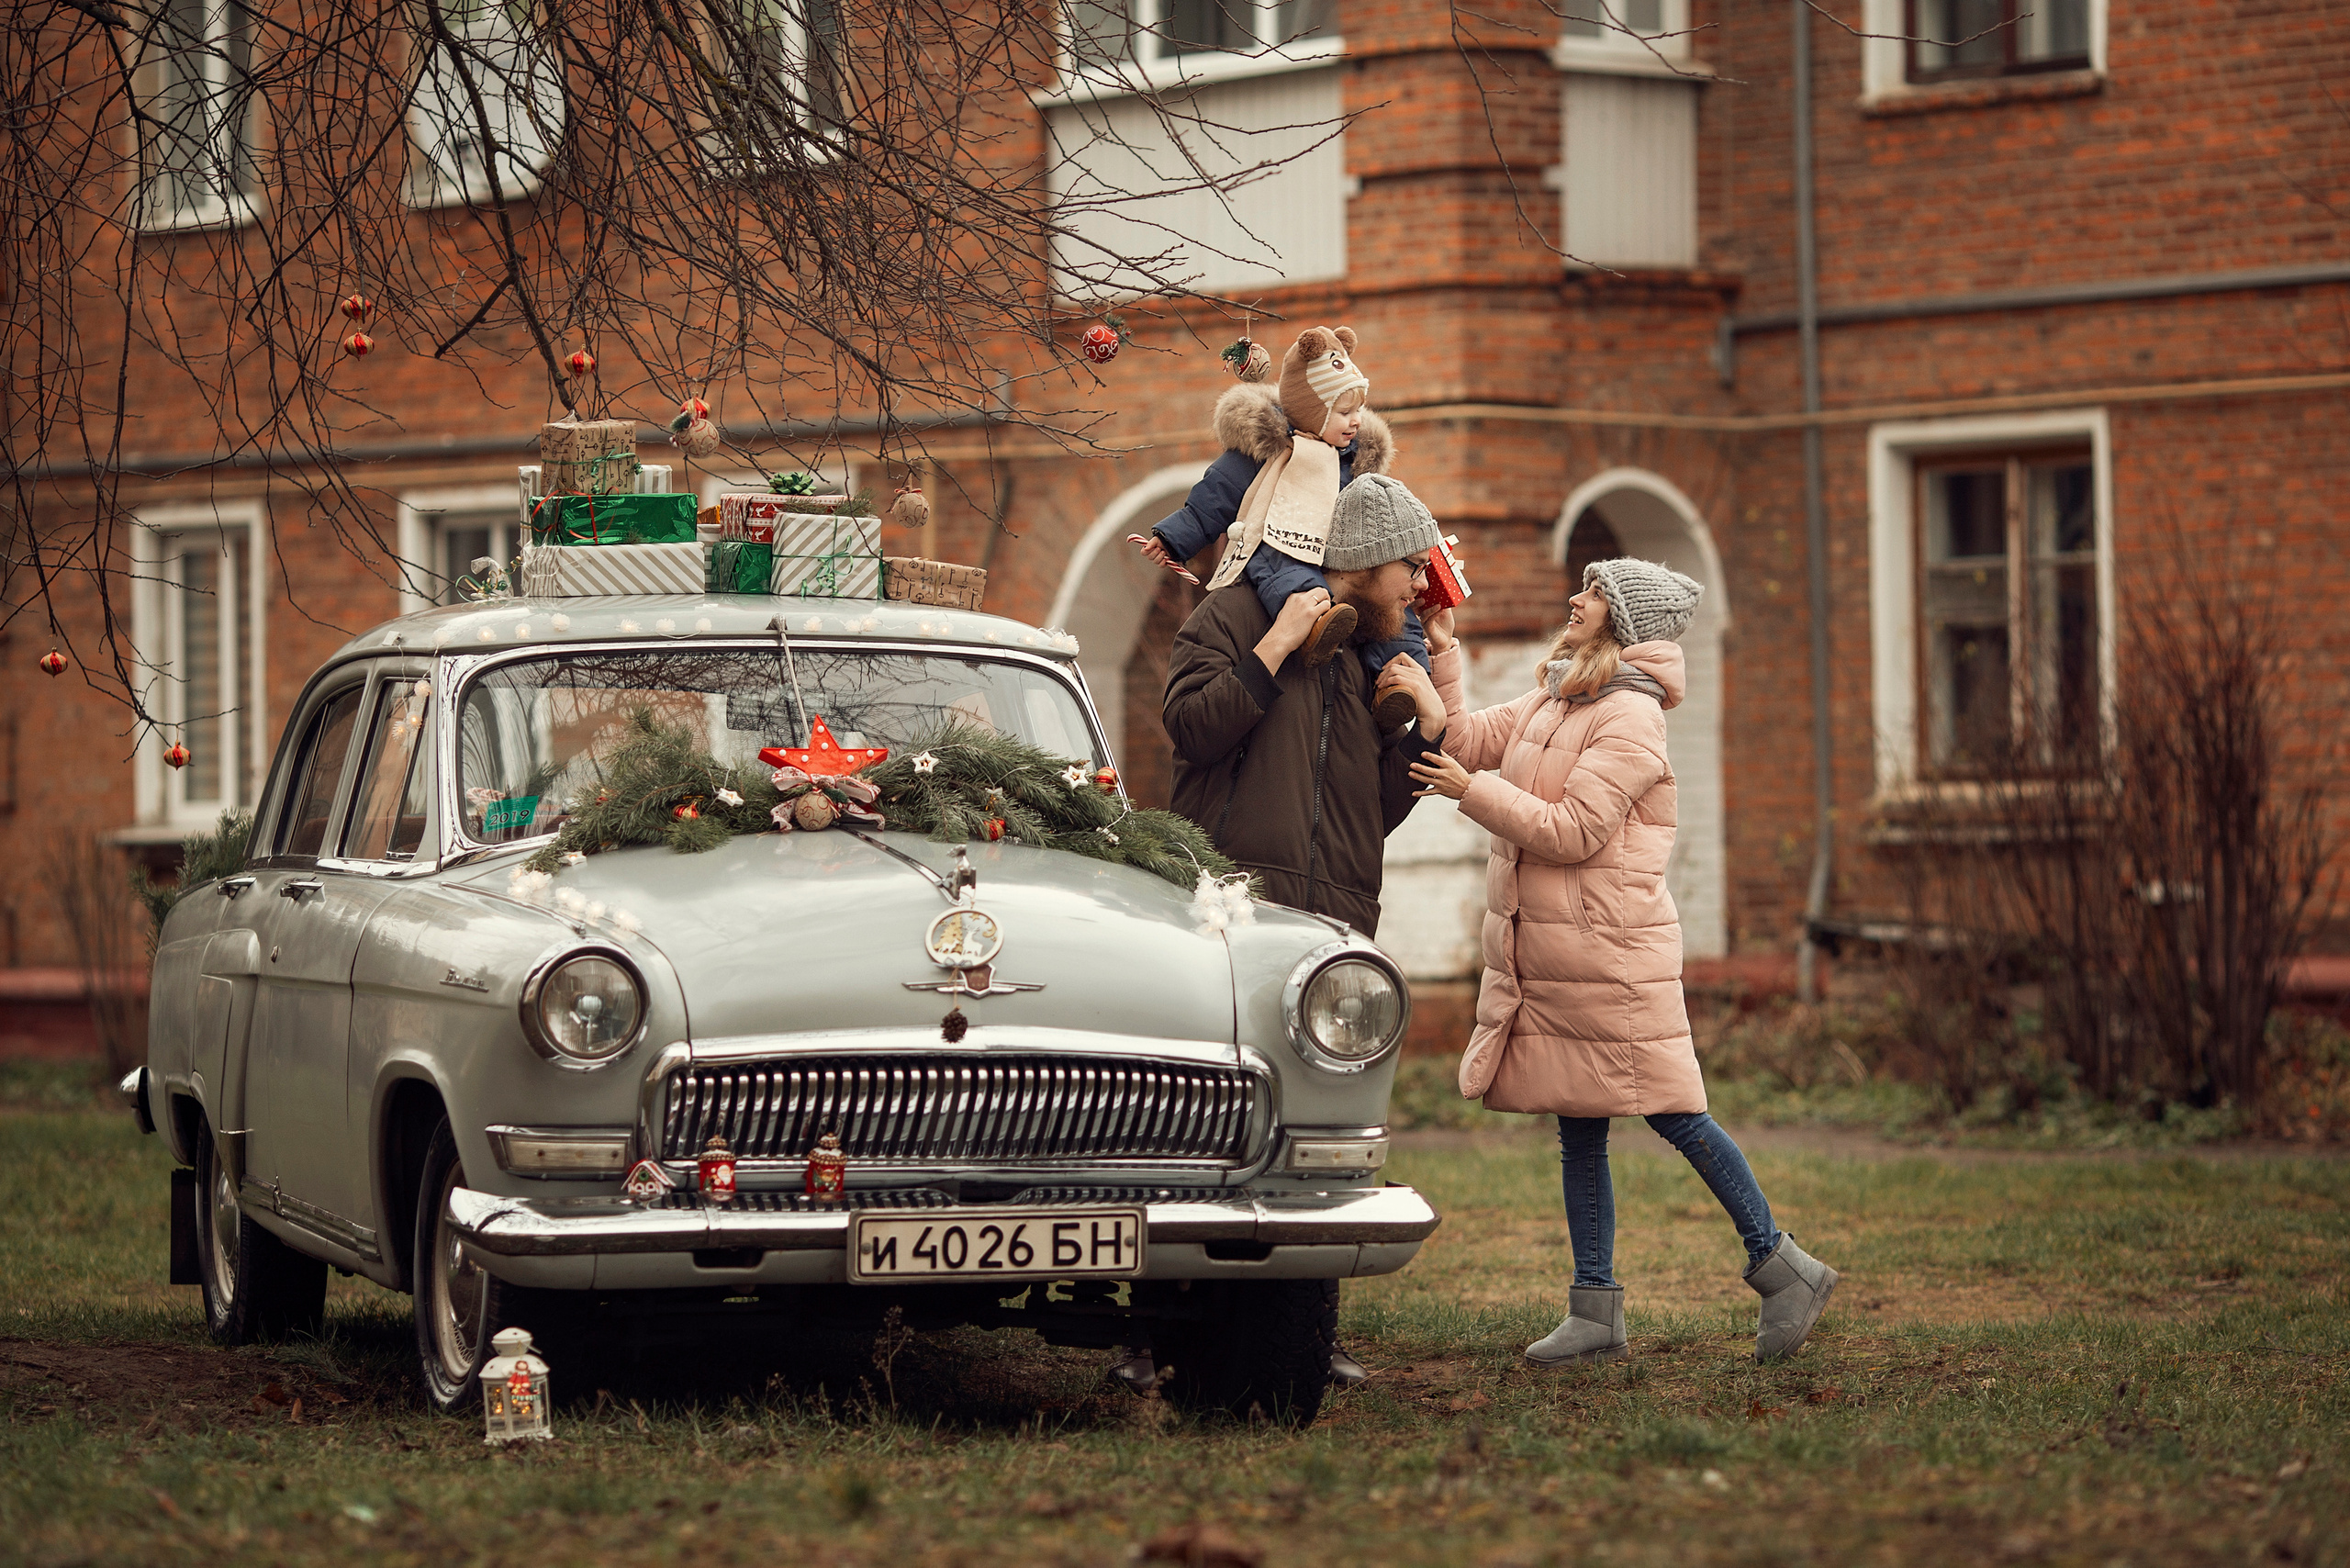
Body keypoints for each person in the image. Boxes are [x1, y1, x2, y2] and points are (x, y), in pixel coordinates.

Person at [1407, 558, 1840, 1366]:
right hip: (1564, 956)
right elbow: (1468, 740)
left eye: (1594, 592)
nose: (1575, 599)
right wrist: (1440, 649)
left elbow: (1573, 830)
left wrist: (1472, 791)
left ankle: (1784, 1268)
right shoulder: (1558, 692)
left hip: (1612, 955)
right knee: (1580, 1126)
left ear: (1623, 620)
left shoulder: (1631, 718)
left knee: (1675, 1112)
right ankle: (1595, 1311)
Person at [1164, 473, 1451, 940]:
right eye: (1414, 566)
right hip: (1232, 908)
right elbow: (1192, 730)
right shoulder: (1236, 612)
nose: (1421, 586)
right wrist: (1275, 646)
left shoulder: (1372, 656)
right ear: (1366, 560)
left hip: (1340, 925)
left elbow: (1374, 817)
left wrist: (1428, 729)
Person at [1135, 326, 1431, 732]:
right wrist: (1174, 537)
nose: (1356, 422)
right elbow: (1216, 495)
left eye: (1358, 411)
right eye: (1344, 413)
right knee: (1296, 582)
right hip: (1280, 542)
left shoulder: (1350, 459)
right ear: (1313, 410)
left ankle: (1401, 682)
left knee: (1395, 620)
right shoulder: (1274, 448)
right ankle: (1315, 632)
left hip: (1336, 558)